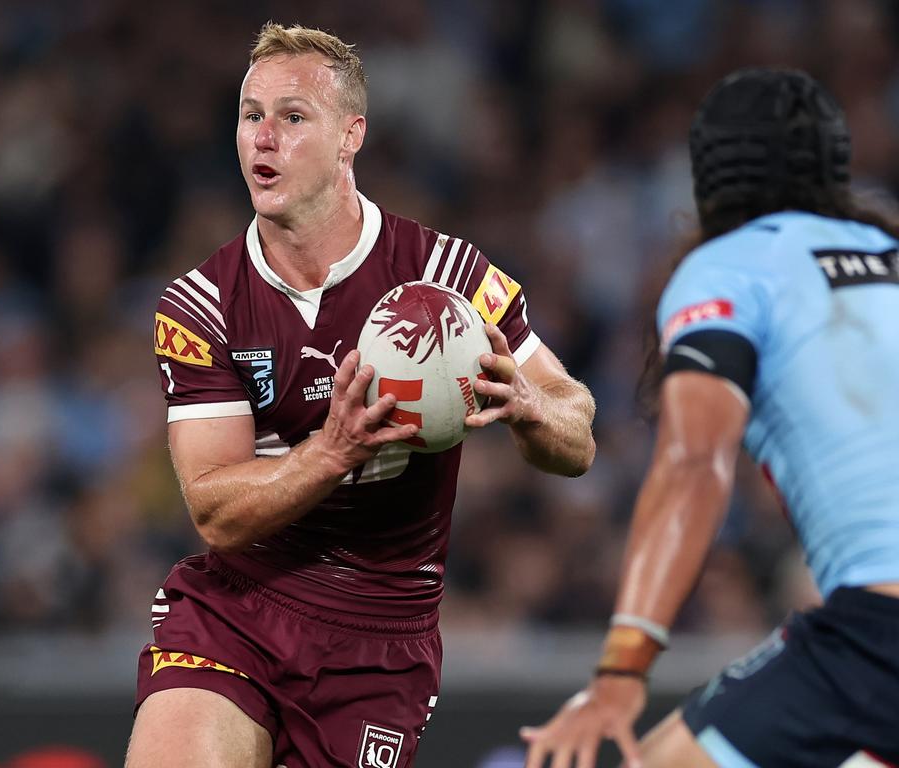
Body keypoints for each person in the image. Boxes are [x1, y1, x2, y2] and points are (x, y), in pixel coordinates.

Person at [125, 23, 596, 768]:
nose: (263, 139)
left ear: (352, 136)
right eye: (251, 116)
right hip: (239, 610)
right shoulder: (201, 306)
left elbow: (579, 432)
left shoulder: (447, 277)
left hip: (379, 641)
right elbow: (214, 508)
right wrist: (333, 452)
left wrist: (534, 411)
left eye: (292, 116)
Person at [521, 68, 899, 768]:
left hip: (878, 637)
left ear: (708, 179)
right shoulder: (889, 258)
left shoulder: (729, 267)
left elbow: (696, 463)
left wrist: (622, 669)